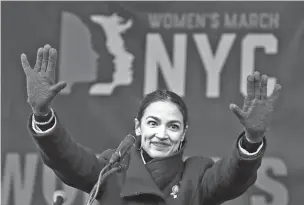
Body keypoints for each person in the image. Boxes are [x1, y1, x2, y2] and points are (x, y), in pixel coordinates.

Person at [21, 44, 282, 205]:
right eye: (153, 123)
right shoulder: (111, 171)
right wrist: (42, 115)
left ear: (183, 134)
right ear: (138, 127)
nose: (161, 134)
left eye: (173, 126)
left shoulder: (197, 175)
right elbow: (66, 158)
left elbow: (232, 177)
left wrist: (252, 139)